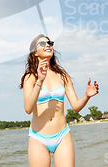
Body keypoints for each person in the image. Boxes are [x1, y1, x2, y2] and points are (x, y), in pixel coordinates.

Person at [20, 34, 99, 167]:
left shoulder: (62, 76)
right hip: (38, 137)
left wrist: (86, 96)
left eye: (50, 43)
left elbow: (76, 106)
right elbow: (28, 109)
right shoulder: (30, 77)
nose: (48, 45)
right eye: (43, 44)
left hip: (62, 135)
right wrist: (40, 80)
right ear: (34, 52)